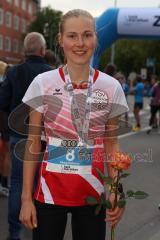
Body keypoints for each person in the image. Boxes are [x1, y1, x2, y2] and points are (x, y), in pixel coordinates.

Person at [19, 9, 129, 240]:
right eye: (72, 36)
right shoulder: (43, 83)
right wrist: (26, 199)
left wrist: (115, 190)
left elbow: (111, 144)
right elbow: (32, 144)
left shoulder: (111, 87)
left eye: (87, 35)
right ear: (60, 40)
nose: (80, 43)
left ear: (96, 39)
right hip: (48, 196)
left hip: (93, 195)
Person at [0, 32, 52, 240]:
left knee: (18, 183)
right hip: (42, 139)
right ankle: (39, 228)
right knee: (40, 183)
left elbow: (2, 101)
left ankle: (15, 233)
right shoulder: (51, 74)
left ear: (24, 51)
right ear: (42, 50)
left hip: (18, 136)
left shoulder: (13, 73)